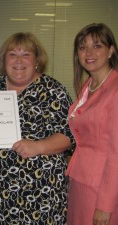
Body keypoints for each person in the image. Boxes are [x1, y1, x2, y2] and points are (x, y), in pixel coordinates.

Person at [0, 32, 74, 224]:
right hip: (1, 195)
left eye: (26, 54)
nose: (19, 60)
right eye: (12, 54)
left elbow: (69, 135)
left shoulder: (53, 90)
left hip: (42, 196)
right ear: (3, 59)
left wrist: (38, 146)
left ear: (37, 60)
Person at [66, 23, 118, 225]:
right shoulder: (90, 85)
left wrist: (105, 206)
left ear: (110, 50)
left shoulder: (115, 90)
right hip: (81, 179)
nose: (88, 52)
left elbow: (116, 154)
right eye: (82, 47)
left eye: (96, 46)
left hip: (101, 189)